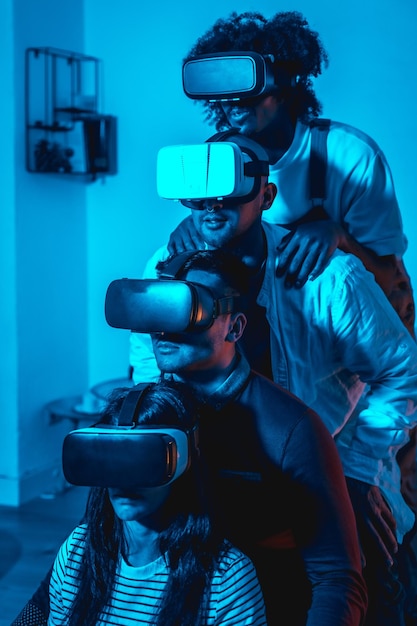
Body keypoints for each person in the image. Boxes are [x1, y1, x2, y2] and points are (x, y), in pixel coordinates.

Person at [130, 132, 417, 625]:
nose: (212, 204)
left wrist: (357, 468)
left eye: (229, 188)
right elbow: (149, 379)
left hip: (319, 468)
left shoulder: (330, 277)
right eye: (201, 192)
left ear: (266, 195)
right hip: (214, 481)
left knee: (362, 588)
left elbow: (403, 371)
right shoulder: (163, 269)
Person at [13, 252, 367, 626]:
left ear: (234, 327)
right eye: (159, 307)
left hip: (247, 606)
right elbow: (90, 551)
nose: (163, 327)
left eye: (187, 308)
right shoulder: (144, 415)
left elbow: (337, 579)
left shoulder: (292, 431)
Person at [170, 10, 415, 337]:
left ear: (285, 83)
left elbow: (389, 282)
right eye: (224, 90)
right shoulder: (215, 160)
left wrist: (338, 237)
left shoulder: (350, 156)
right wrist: (201, 227)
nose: (234, 101)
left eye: (247, 87)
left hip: (356, 338)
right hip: (275, 335)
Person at [47, 380, 269, 626]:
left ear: (182, 461)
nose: (125, 481)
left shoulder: (227, 579)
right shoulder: (76, 552)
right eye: (114, 460)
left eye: (142, 460)